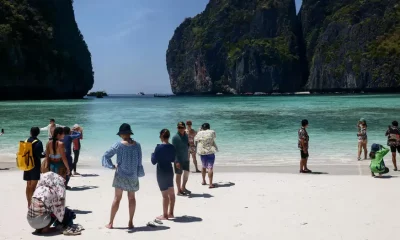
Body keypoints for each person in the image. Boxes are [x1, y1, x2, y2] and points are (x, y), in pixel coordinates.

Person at [102, 123, 145, 229]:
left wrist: (112, 166)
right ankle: (130, 222)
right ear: (129, 133)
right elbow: (139, 162)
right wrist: (138, 173)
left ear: (121, 134)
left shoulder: (118, 145)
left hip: (120, 175)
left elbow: (106, 155)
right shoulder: (137, 145)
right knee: (132, 198)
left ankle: (111, 223)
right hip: (133, 176)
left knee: (117, 198)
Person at [151, 129, 176, 220]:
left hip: (161, 172)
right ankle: (171, 213)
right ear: (168, 137)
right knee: (171, 194)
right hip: (169, 170)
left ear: (161, 136)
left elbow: (153, 161)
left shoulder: (158, 148)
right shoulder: (172, 147)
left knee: (165, 195)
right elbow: (173, 159)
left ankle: (165, 215)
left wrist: (153, 154)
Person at [23, 127, 45, 207]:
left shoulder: (26, 141)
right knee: (33, 186)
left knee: (28, 185)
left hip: (26, 165)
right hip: (35, 166)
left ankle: (29, 204)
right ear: (38, 133)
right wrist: (46, 154)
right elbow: (39, 155)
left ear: (30, 132)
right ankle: (32, 205)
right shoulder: (38, 142)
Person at [194, 123, 218, 188]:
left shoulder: (199, 133)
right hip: (211, 151)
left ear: (202, 128)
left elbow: (196, 139)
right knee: (210, 167)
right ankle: (210, 184)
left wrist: (199, 131)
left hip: (202, 152)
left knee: (203, 166)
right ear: (209, 127)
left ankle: (204, 181)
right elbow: (214, 137)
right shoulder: (212, 132)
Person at [172, 122, 191, 196]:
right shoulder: (175, 137)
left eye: (182, 127)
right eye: (179, 127)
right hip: (178, 160)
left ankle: (183, 187)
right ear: (177, 128)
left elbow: (187, 145)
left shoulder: (186, 136)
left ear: (184, 128)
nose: (180, 129)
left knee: (186, 173)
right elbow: (173, 150)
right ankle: (178, 190)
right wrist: (176, 161)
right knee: (178, 174)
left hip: (186, 158)